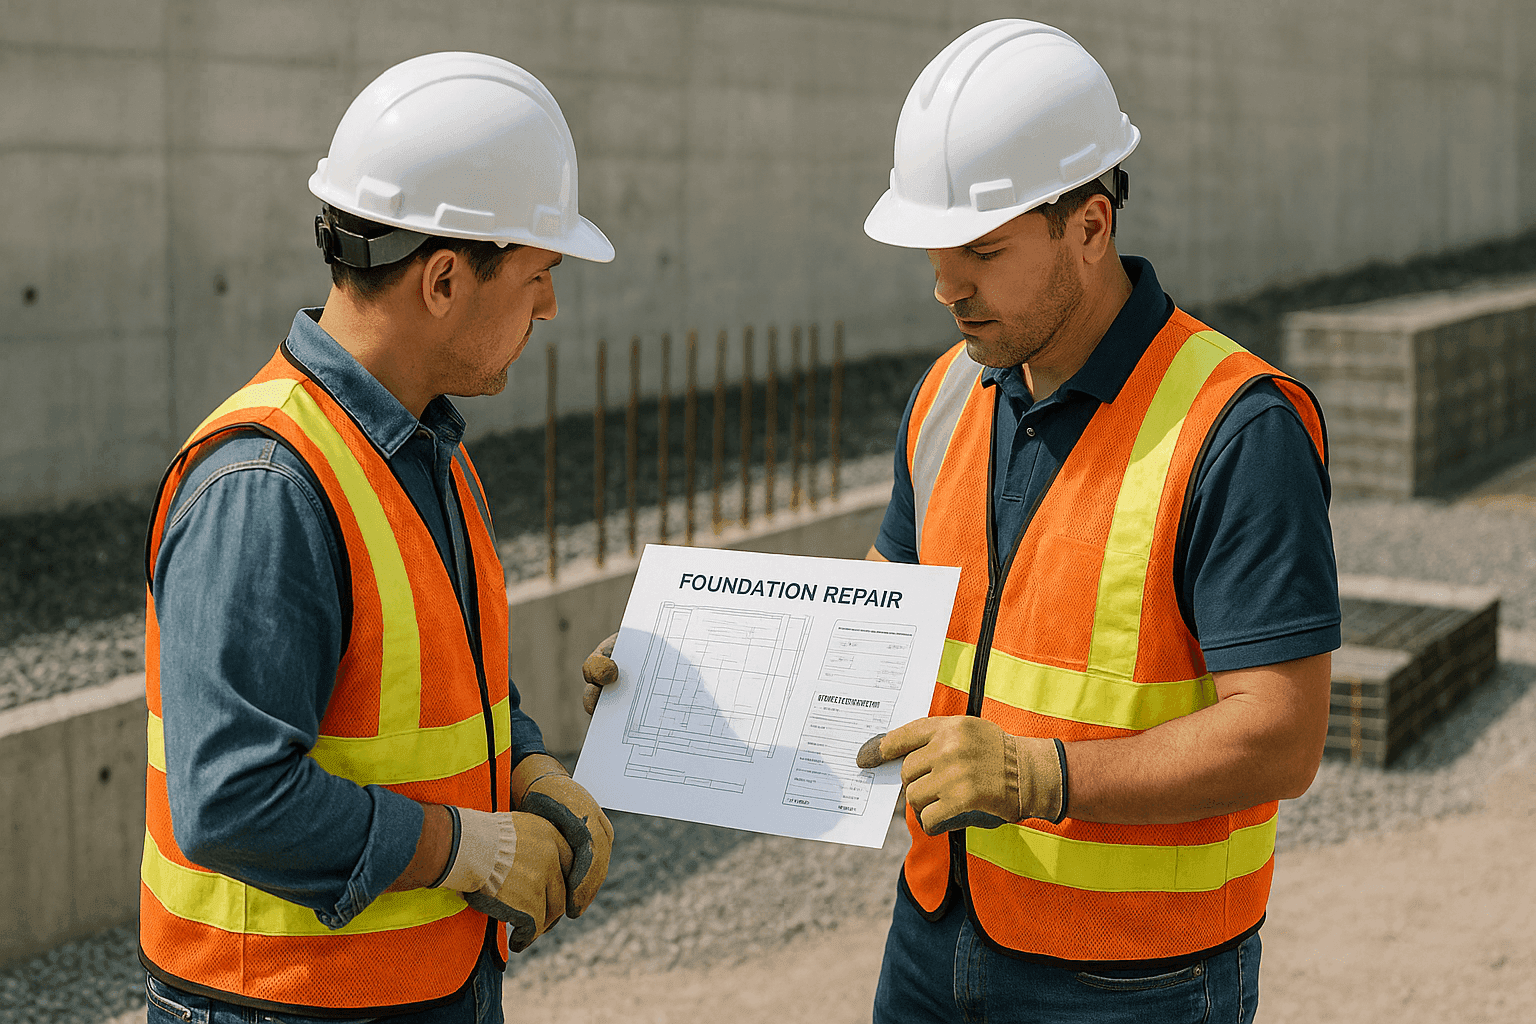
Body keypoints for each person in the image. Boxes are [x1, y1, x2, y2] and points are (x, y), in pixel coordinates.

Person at [582, 20, 1339, 1024]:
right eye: (935, 249)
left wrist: (1039, 773)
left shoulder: (1234, 428)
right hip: (938, 932)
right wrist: (689, 685)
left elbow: (1282, 736)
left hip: (1139, 977)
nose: (947, 285)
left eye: (982, 249)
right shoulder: (949, 393)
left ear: (1091, 226)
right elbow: (872, 639)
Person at [139, 52, 615, 1024]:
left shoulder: (421, 445)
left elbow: (443, 690)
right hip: (281, 1006)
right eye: (539, 274)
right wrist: (472, 848)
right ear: (444, 278)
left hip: (420, 986)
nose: (550, 307)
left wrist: (528, 766)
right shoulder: (267, 484)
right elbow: (236, 797)